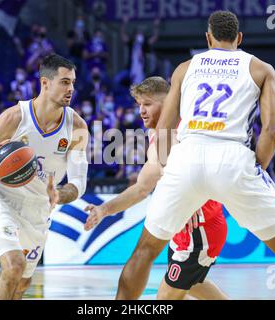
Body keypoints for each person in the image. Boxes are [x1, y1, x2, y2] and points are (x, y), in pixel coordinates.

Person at [115, 11, 275, 300]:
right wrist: (257, 167)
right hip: (233, 158)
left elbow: (167, 126)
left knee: (145, 251)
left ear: (208, 38)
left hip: (187, 155)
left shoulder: (185, 68)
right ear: (239, 38)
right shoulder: (261, 69)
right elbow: (271, 129)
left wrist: (171, 168)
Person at [84, 77, 228, 300]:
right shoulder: (159, 134)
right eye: (139, 104)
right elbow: (142, 187)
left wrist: (194, 198)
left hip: (200, 229)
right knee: (193, 283)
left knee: (165, 296)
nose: (141, 110)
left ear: (169, 102)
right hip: (182, 227)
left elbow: (144, 187)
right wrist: (104, 210)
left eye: (148, 104)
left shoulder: (180, 134)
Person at [0, 54, 89, 300]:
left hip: (39, 211)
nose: (71, 89)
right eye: (65, 82)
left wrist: (60, 194)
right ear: (45, 83)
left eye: (73, 83)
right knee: (14, 267)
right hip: (2, 199)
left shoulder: (77, 127)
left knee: (22, 284)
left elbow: (78, 183)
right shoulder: (14, 117)